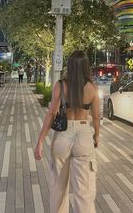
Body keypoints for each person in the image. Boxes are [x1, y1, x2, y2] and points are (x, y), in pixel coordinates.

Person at [34, 50, 100, 213]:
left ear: (69, 66)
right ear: (86, 66)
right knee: (84, 191)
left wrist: (40, 141)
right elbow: (97, 117)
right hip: (84, 135)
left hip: (62, 136)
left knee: (58, 187)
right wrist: (97, 136)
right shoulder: (92, 88)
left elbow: (51, 114)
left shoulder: (60, 85)